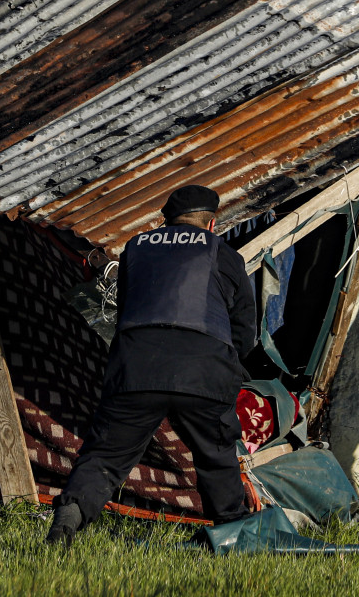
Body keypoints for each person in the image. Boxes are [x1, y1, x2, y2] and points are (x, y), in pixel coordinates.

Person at [46, 184, 258, 545]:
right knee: (215, 455)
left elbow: (127, 308)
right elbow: (244, 331)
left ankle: (70, 514)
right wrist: (226, 370)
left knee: (106, 454)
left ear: (166, 221)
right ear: (210, 224)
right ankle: (232, 533)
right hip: (203, 367)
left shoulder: (135, 249)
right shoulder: (223, 253)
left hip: (136, 365)